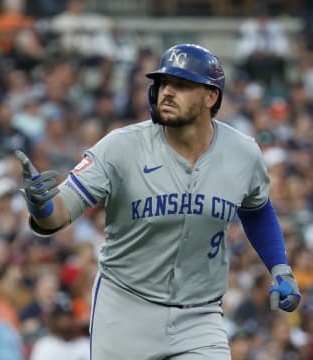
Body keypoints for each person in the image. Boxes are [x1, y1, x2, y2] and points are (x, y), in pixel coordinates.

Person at [16, 43, 301, 359]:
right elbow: (60, 211)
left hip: (199, 315)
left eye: (181, 85)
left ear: (211, 97)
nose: (167, 91)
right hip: (125, 310)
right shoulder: (121, 147)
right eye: (163, 83)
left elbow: (258, 210)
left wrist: (279, 267)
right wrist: (42, 207)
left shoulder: (243, 153)